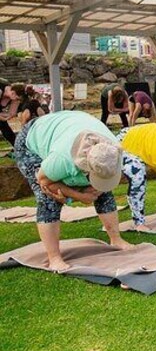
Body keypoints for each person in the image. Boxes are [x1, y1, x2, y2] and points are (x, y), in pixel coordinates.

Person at [14, 110, 130, 271]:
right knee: (48, 199)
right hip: (31, 141)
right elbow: (44, 181)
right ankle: (54, 257)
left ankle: (116, 239)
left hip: (67, 128)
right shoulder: (62, 159)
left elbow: (104, 176)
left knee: (102, 191)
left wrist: (96, 189)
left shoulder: (111, 150)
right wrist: (79, 196)